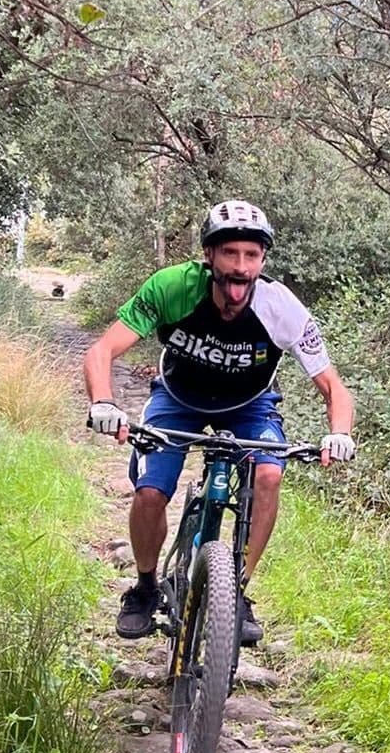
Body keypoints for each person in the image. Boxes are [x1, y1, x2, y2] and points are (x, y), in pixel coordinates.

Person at [84, 199, 354, 644]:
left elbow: (334, 387)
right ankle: (146, 587)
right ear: (208, 256)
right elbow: (101, 352)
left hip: (249, 405)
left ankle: (238, 589)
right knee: (151, 493)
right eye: (230, 253)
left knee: (268, 474)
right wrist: (103, 403)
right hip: (177, 399)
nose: (241, 267)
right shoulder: (172, 288)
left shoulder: (281, 308)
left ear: (263, 260)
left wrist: (339, 433)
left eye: (251, 256)